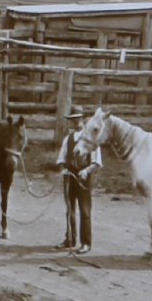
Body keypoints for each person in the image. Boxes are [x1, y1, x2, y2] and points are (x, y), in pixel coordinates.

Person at [55, 106, 102, 254]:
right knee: (70, 210)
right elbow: (61, 159)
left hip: (83, 179)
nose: (75, 122)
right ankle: (70, 239)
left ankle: (86, 243)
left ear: (83, 120)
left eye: (78, 119)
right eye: (72, 120)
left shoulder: (91, 139)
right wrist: (63, 168)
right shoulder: (67, 139)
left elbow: (97, 162)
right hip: (69, 178)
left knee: (85, 211)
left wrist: (86, 171)